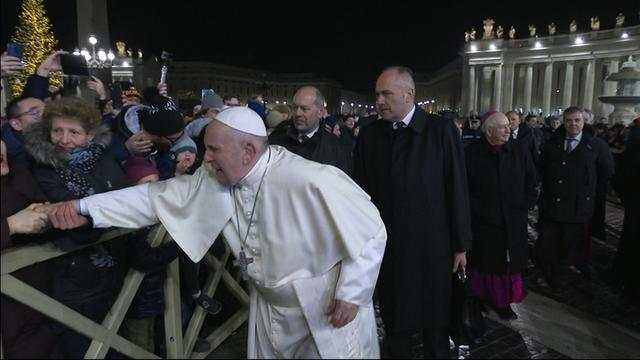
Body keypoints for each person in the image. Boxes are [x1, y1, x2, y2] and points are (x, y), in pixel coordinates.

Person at [44, 106, 386, 358]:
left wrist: (353, 293)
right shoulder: (216, 176)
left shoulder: (311, 179)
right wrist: (85, 208)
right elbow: (154, 198)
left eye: (214, 149)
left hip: (324, 309)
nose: (204, 157)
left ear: (248, 151)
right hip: (269, 310)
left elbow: (371, 231)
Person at [353, 66, 471, 358]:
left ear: (409, 94)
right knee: (396, 324)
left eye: (386, 94)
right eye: (377, 93)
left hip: (434, 247)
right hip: (389, 247)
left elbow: (457, 188)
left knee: (435, 327)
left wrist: (461, 245)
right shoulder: (370, 135)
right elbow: (360, 193)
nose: (379, 100)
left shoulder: (441, 130)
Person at [23, 97, 130, 358]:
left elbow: (123, 197)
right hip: (72, 270)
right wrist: (97, 217)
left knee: (114, 337)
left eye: (73, 132)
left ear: (89, 134)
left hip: (114, 263)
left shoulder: (104, 159)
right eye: (57, 130)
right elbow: (66, 211)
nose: (64, 139)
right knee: (80, 342)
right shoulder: (43, 165)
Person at [464, 112, 537, 320]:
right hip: (484, 221)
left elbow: (531, 180)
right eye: (502, 127)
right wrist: (478, 210)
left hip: (513, 219)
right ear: (488, 131)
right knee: (483, 262)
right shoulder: (471, 153)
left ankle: (502, 301)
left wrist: (525, 205)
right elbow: (465, 188)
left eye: (508, 126)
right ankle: (478, 298)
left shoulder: (519, 149)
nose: (508, 130)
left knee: (509, 264)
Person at [536, 106, 614, 289]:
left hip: (577, 207)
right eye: (569, 120)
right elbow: (542, 168)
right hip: (552, 205)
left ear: (583, 122)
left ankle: (563, 277)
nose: (573, 124)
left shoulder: (596, 145)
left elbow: (606, 172)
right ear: (564, 121)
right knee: (548, 245)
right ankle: (549, 275)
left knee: (570, 247)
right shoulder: (552, 142)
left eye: (577, 120)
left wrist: (589, 193)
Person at [1, 140, 61, 359]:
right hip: (10, 323)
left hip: (44, 303)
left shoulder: (19, 172)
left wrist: (46, 215)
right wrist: (11, 226)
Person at [269, 86, 353, 176]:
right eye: (295, 108)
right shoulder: (276, 138)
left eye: (304, 109)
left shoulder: (336, 148)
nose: (297, 113)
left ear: (320, 112)